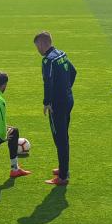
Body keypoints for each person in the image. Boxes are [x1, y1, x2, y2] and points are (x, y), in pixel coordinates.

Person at [33, 32, 77, 186]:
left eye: (37, 47)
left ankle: (63, 177)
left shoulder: (48, 61)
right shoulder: (61, 54)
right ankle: (63, 168)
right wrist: (66, 90)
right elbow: (73, 72)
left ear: (41, 44)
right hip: (68, 100)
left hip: (57, 105)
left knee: (60, 139)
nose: (37, 50)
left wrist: (47, 102)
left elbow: (48, 82)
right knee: (63, 136)